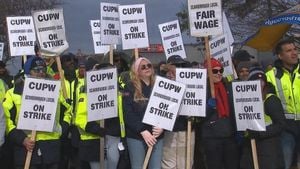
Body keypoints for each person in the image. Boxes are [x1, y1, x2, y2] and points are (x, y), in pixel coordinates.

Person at [2, 56, 72, 169]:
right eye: (36, 70)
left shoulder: (54, 92)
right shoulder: (13, 93)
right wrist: (22, 139)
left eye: (43, 70)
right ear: (28, 72)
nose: (41, 73)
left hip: (51, 150)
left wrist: (62, 130)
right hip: (25, 150)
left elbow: (67, 111)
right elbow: (6, 119)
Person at [240, 67, 285, 169]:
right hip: (250, 148)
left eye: (262, 81)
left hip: (268, 149)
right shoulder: (245, 101)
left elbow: (280, 125)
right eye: (256, 81)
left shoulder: (270, 100)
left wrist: (260, 133)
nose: (259, 84)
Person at [123, 57, 164, 169]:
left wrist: (163, 126)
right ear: (137, 71)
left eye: (149, 65)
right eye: (143, 67)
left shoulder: (160, 85)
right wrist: (142, 130)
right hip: (137, 136)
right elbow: (128, 113)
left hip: (156, 135)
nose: (147, 68)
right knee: (138, 166)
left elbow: (168, 108)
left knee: (155, 167)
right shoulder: (130, 86)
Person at [265, 38, 300, 169]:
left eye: (295, 49)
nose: (294, 53)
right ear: (280, 55)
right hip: (285, 127)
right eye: (289, 50)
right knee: (283, 163)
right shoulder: (270, 76)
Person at [201, 58, 239, 169]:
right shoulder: (202, 88)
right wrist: (208, 107)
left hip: (229, 135)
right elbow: (197, 116)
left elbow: (233, 109)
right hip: (211, 138)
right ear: (207, 73)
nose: (218, 73)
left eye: (220, 70)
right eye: (214, 71)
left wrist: (238, 129)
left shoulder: (227, 86)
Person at [161, 55, 195, 169]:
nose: (178, 68)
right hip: (168, 130)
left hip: (186, 129)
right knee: (168, 164)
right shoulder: (161, 83)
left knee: (185, 164)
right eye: (175, 66)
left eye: (181, 66)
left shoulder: (191, 84)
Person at [75, 60, 107, 169]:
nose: (98, 73)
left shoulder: (112, 90)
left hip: (111, 138)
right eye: (95, 70)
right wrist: (95, 128)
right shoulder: (85, 92)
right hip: (92, 140)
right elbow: (80, 118)